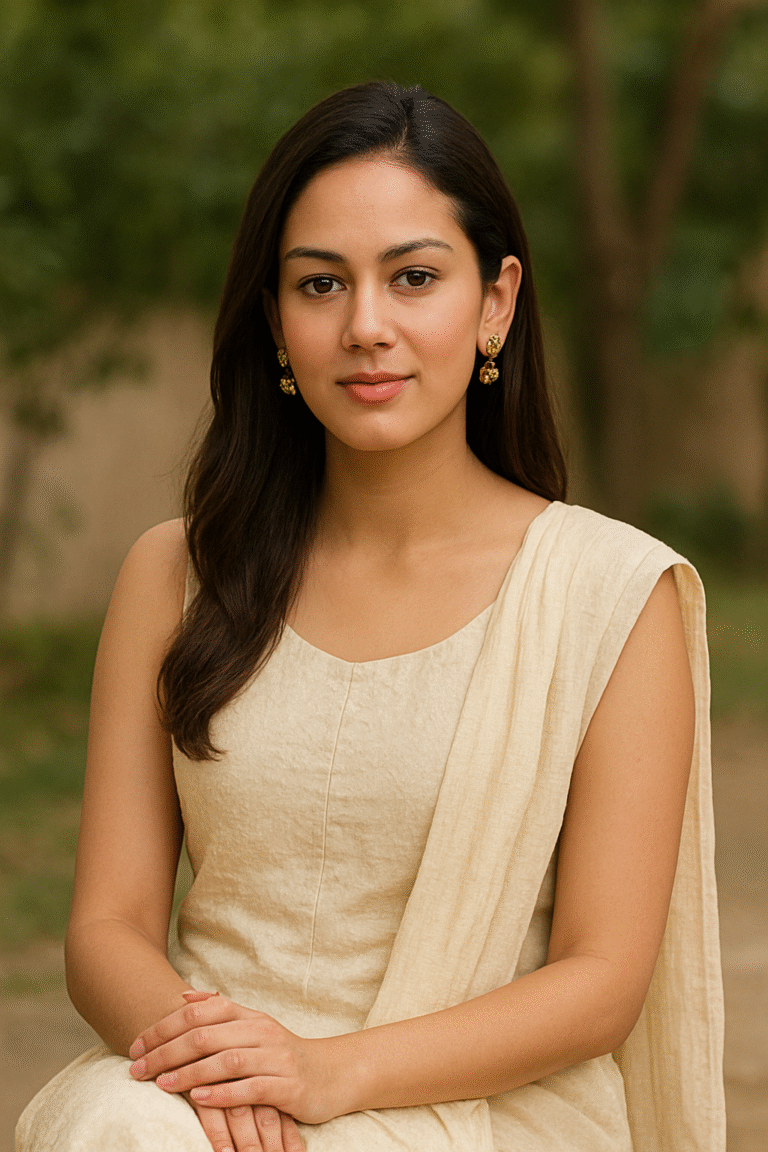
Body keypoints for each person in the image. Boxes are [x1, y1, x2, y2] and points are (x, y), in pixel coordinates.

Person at [16, 81, 725, 1152]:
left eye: (415, 278)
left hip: (482, 1106)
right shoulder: (175, 574)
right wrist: (229, 1073)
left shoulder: (608, 596)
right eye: (320, 284)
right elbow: (107, 929)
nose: (366, 327)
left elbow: (600, 980)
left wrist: (325, 1074)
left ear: (496, 302)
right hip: (197, 1089)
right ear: (274, 318)